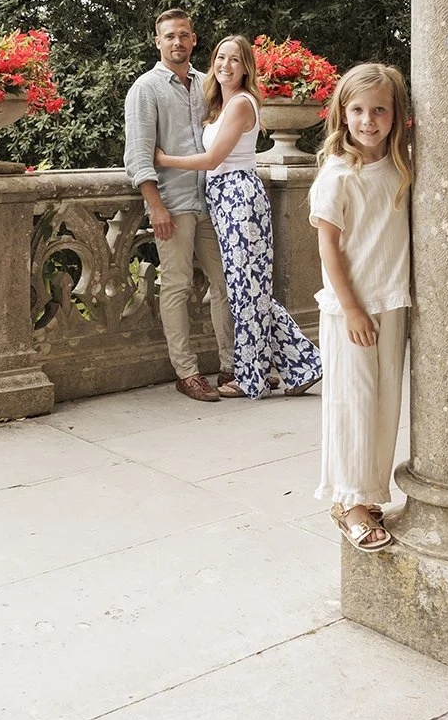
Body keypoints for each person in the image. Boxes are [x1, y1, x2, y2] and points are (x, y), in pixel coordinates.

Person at [156, 34, 323, 399]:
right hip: (223, 198)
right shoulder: (220, 103)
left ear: (246, 67)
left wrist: (164, 159)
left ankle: (255, 378)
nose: (225, 66)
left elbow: (213, 160)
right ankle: (302, 366)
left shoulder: (242, 104)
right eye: (220, 58)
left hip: (239, 196)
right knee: (247, 291)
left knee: (247, 291)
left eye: (234, 60)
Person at [308, 63, 414, 551]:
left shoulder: (401, 167)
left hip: (391, 302)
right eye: (357, 110)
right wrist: (351, 309)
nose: (368, 120)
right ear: (342, 114)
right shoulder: (337, 175)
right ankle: (347, 502)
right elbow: (328, 246)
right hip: (350, 308)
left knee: (384, 403)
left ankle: (370, 495)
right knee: (352, 403)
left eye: (379, 110)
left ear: (397, 115)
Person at [123, 7, 236, 402]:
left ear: (193, 39)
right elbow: (138, 155)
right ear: (158, 41)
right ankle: (186, 373)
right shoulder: (145, 89)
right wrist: (155, 207)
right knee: (177, 285)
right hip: (173, 202)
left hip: (212, 201)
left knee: (225, 282)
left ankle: (231, 367)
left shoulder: (208, 85)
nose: (177, 42)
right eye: (169, 35)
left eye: (183, 35)